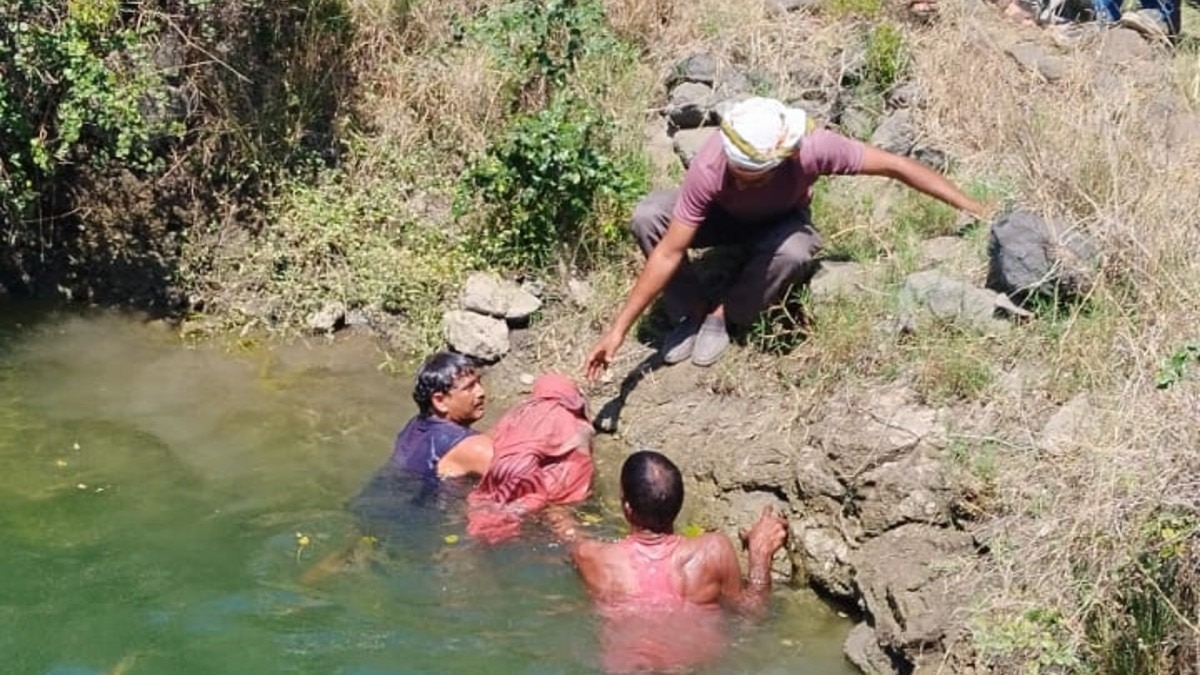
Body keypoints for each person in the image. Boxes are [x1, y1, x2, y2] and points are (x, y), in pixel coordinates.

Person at [583, 96, 989, 378]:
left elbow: (895, 166)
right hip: (723, 220)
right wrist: (617, 330)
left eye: (754, 177)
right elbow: (668, 251)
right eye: (739, 175)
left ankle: (725, 315)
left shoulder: (811, 148)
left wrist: (973, 207)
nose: (744, 182)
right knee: (649, 215)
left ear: (783, 159)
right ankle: (693, 310)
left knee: (797, 251)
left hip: (781, 222)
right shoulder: (710, 165)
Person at [547, 450, 789, 673]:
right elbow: (752, 613)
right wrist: (760, 554)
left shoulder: (595, 558)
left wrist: (555, 508)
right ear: (679, 501)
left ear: (627, 508)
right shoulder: (713, 551)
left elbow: (570, 536)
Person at [467, 373, 595, 544]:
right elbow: (581, 463)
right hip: (547, 482)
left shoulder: (518, 412)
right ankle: (581, 544)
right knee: (560, 515)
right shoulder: (576, 423)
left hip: (509, 473)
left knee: (493, 511)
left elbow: (494, 439)